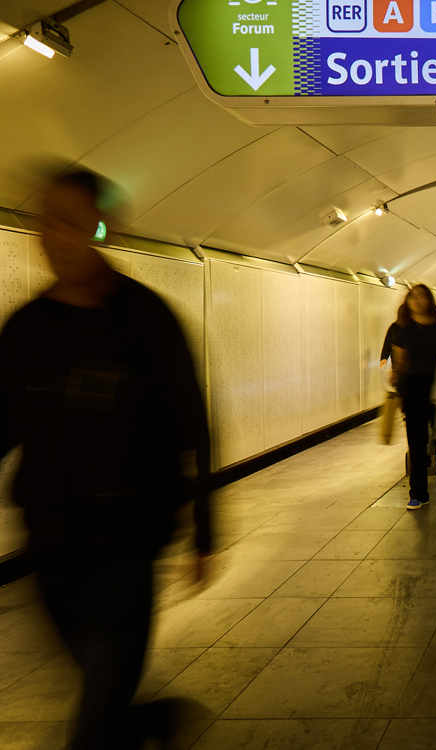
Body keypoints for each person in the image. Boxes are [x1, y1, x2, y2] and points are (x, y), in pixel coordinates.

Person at [0, 169, 211, 750]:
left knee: (94, 718)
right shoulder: (25, 330)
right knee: (103, 684)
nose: (55, 235)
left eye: (70, 221)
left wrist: (204, 530)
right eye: (46, 221)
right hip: (50, 545)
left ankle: (130, 723)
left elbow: (191, 420)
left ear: (100, 230)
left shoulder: (146, 319)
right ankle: (145, 722)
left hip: (127, 542)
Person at [390, 284, 436, 510]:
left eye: (423, 296)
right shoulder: (402, 328)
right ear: (408, 300)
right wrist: (395, 379)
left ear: (430, 300)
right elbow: (400, 362)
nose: (419, 300)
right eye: (414, 296)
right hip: (413, 389)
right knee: (416, 442)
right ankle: (418, 493)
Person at [380, 315, 403, 444]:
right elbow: (388, 342)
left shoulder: (413, 327)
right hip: (398, 368)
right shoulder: (394, 327)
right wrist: (384, 357)